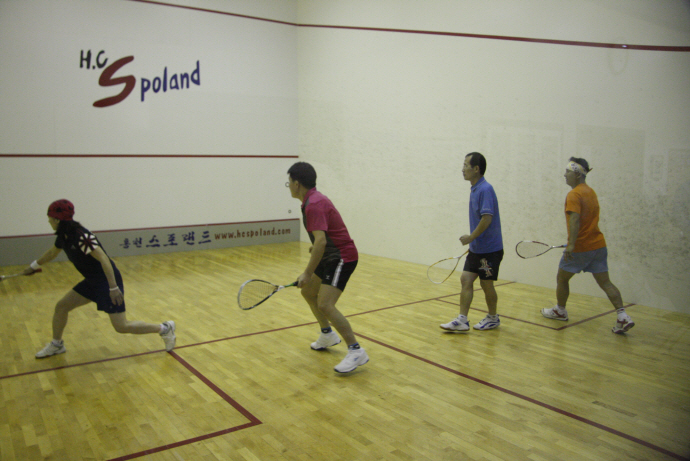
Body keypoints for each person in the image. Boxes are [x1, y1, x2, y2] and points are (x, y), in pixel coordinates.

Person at [24, 199, 176, 358]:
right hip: (92, 281)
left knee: (121, 326)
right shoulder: (64, 235)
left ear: (57, 219)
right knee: (62, 306)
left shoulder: (81, 236)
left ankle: (164, 328)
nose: (48, 221)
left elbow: (104, 259)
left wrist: (113, 287)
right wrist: (33, 266)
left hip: (106, 281)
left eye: (49, 218)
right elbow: (52, 253)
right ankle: (57, 344)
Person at [287, 162, 369, 373]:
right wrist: (316, 246)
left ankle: (356, 350)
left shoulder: (313, 203)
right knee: (308, 292)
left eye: (289, 182)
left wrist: (307, 272)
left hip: (342, 256)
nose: (288, 186)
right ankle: (327, 334)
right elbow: (322, 237)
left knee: (325, 304)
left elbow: (321, 241)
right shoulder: (312, 200)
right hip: (330, 254)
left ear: (297, 184)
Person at [541, 158, 634, 334]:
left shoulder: (574, 194)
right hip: (598, 246)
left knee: (562, 278)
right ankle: (622, 315)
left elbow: (575, 220)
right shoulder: (590, 192)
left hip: (580, 247)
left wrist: (571, 245)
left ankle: (560, 311)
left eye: (567, 171)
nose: (564, 175)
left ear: (577, 174)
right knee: (606, 282)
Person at [441, 152, 504, 332]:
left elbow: (487, 218)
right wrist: (473, 243)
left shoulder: (485, 189)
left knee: (486, 284)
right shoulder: (476, 189)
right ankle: (462, 319)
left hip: (490, 250)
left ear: (476, 169)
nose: (462, 169)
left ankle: (493, 318)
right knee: (466, 279)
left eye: (466, 165)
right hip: (478, 249)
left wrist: (471, 237)